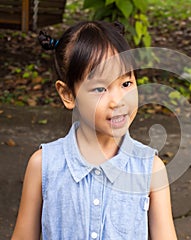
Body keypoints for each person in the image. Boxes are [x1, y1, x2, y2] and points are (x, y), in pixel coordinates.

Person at [12, 21, 178, 240]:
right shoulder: (43, 166)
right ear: (68, 95)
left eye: (126, 84)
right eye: (100, 89)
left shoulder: (149, 169)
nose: (118, 100)